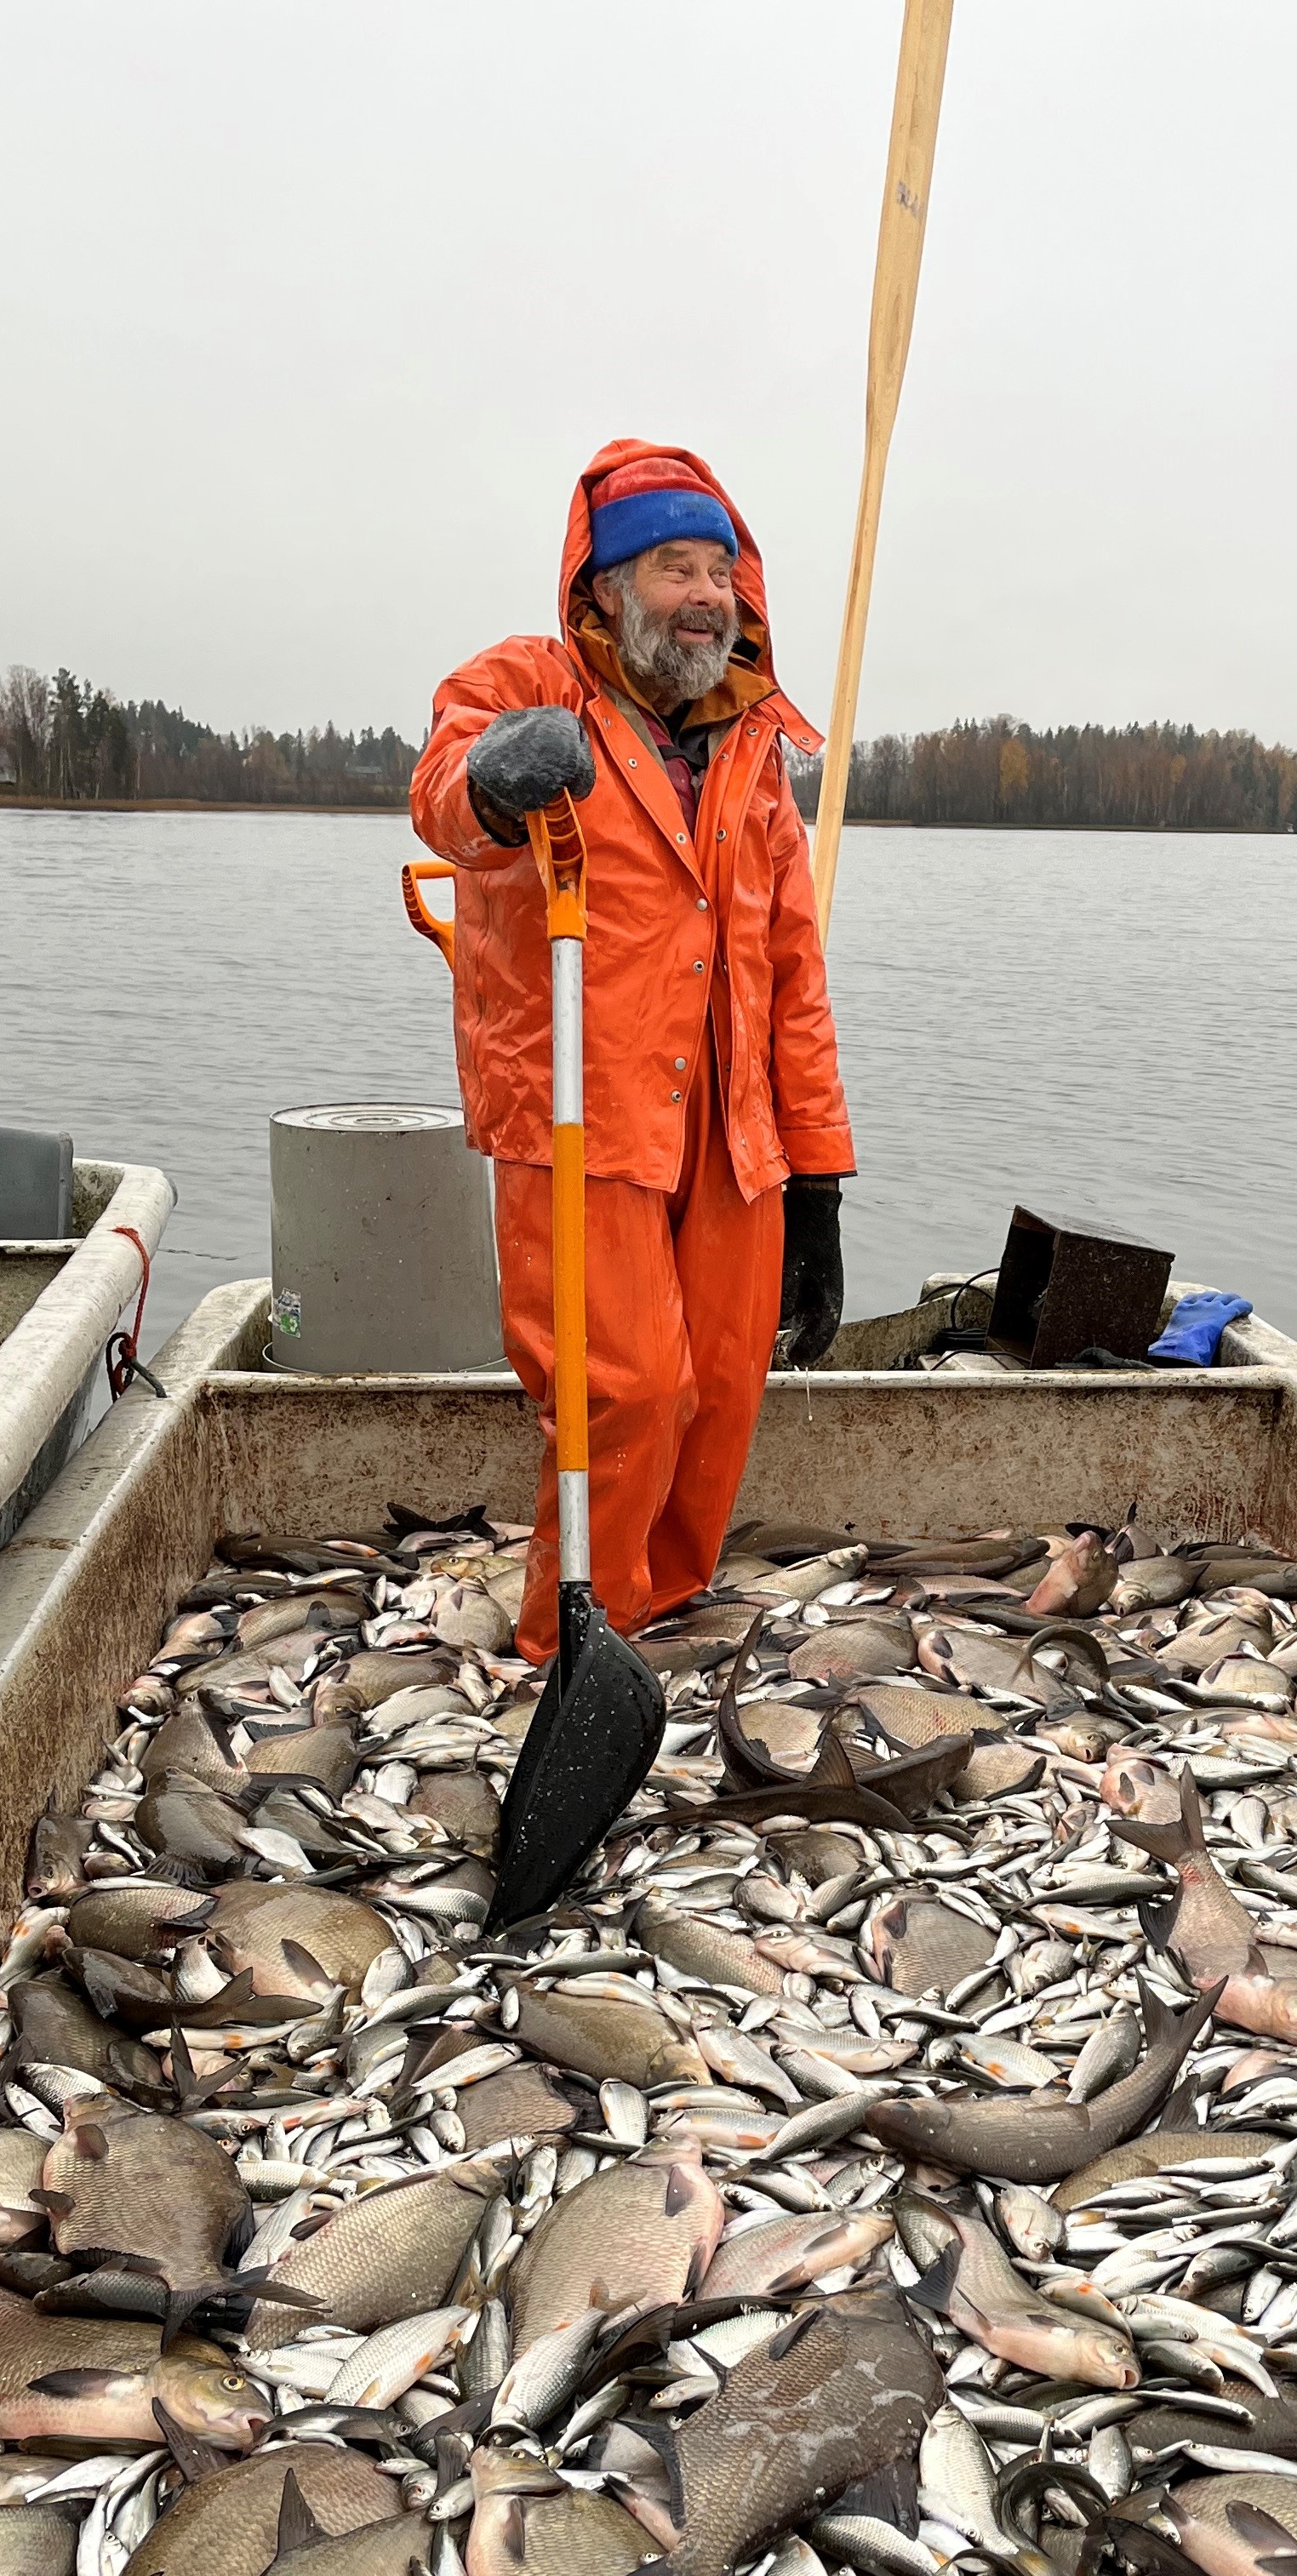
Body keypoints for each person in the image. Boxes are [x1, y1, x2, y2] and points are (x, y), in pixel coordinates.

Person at [411, 438, 852, 1665]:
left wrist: (815, 1181)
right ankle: (574, 1647)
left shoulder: (753, 744)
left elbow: (796, 975)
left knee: (717, 1386)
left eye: (721, 569)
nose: (708, 595)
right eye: (674, 567)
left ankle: (667, 1613)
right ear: (604, 585)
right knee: (625, 1392)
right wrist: (499, 784)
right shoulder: (527, 680)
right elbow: (445, 792)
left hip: (734, 1120)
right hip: (578, 1103)